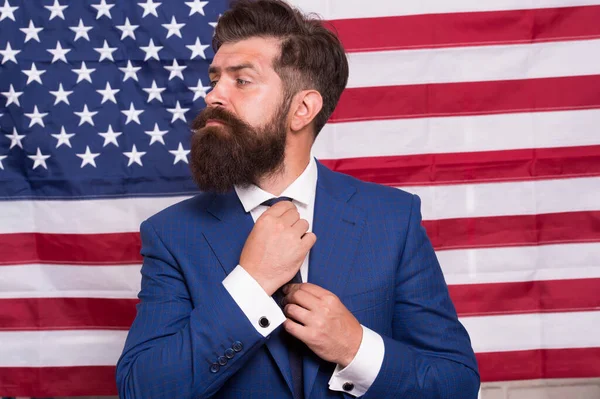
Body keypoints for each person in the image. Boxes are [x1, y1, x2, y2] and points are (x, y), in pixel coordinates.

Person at [115, 0, 480, 398]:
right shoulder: (172, 234)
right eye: (215, 77)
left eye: (241, 80)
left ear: (302, 109)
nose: (213, 95)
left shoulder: (392, 219)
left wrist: (355, 348)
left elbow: (457, 384)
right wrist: (250, 286)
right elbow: (143, 389)